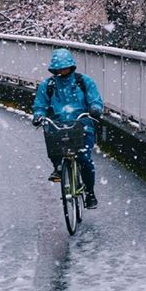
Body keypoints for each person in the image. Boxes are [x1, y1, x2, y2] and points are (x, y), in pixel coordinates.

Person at [31, 48, 104, 208]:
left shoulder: (83, 82)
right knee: (54, 149)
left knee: (84, 159)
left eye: (65, 67)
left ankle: (90, 193)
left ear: (71, 66)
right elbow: (40, 104)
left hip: (82, 124)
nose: (62, 70)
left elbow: (95, 100)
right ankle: (58, 168)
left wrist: (95, 109)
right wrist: (38, 114)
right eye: (59, 68)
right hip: (57, 125)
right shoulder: (48, 85)